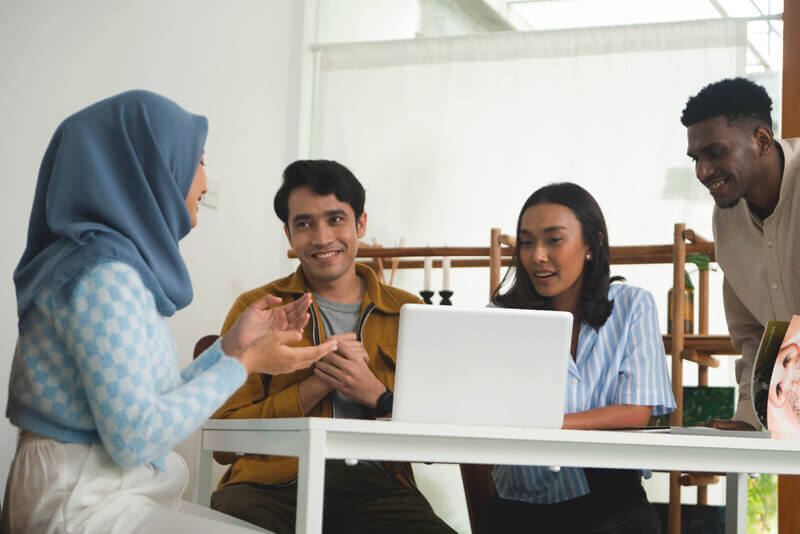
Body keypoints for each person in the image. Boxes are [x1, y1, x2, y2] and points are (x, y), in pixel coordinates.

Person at [3, 91, 336, 534]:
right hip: (81, 499)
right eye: (198, 160)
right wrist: (247, 363)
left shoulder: (109, 267)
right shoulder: (103, 277)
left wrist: (233, 346)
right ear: (147, 166)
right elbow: (136, 437)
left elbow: (146, 405)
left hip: (101, 489)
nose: (203, 179)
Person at [208, 160, 456, 534]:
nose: (322, 238)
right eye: (304, 224)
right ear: (289, 235)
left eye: (336, 219)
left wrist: (377, 396)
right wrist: (314, 385)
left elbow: (436, 447)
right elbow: (223, 442)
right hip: (267, 485)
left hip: (379, 489)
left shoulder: (410, 312)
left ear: (361, 224)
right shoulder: (256, 308)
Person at [482, 182, 675, 533]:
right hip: (517, 505)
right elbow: (485, 410)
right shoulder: (499, 315)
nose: (537, 255)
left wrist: (547, 424)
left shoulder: (632, 306)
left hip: (609, 501)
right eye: (526, 242)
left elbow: (636, 411)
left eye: (554, 240)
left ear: (591, 244)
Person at [682, 77, 799, 431]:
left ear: (762, 140)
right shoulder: (727, 217)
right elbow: (753, 334)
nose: (703, 171)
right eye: (696, 158)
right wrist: (751, 417)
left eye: (715, 153)